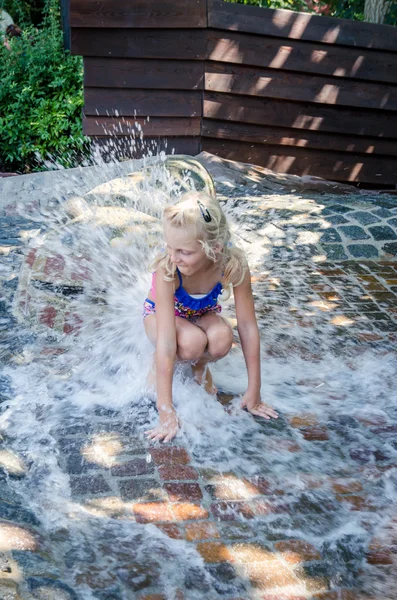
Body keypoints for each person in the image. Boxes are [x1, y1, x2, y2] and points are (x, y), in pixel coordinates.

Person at [143, 191, 278, 442]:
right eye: (169, 247)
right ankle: (157, 366)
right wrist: (166, 411)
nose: (173, 257)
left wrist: (254, 391)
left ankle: (200, 367)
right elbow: (165, 341)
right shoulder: (169, 269)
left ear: (213, 248)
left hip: (200, 314)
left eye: (184, 251)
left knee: (221, 340)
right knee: (192, 343)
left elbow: (247, 327)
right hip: (160, 318)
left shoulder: (232, 265)